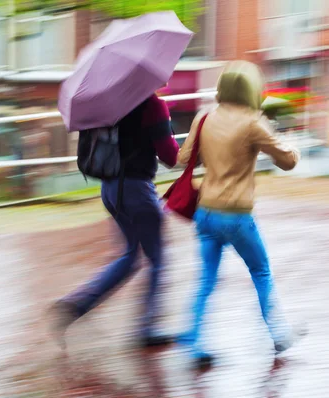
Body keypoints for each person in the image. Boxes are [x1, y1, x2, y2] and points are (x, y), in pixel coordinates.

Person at [176, 60, 305, 368]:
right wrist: (294, 147)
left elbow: (182, 158)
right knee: (260, 272)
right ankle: (279, 333)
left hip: (205, 213)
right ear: (251, 89)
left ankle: (193, 341)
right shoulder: (253, 122)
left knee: (206, 280)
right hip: (235, 215)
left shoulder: (204, 118)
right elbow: (287, 162)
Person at [50, 92, 180, 349]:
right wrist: (171, 135)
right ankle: (147, 327)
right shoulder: (153, 105)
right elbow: (170, 156)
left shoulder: (110, 102)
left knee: (130, 256)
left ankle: (75, 305)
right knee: (157, 258)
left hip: (110, 189)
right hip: (136, 190)